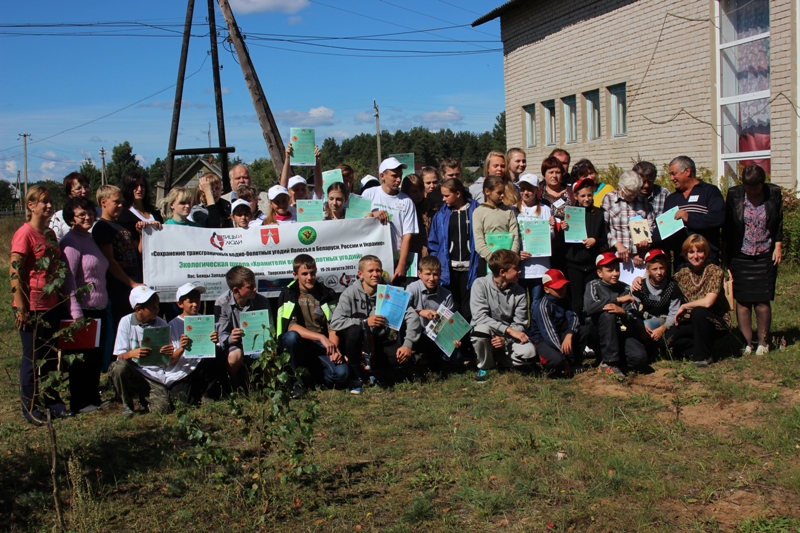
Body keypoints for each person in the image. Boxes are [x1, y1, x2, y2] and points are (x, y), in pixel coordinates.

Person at [11, 185, 73, 424]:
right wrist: (22, 307)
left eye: (51, 202)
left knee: (49, 357)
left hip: (52, 304)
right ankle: (30, 407)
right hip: (32, 305)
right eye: (44, 202)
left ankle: (52, 402)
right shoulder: (24, 233)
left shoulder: (50, 234)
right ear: (31, 205)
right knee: (31, 358)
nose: (49, 206)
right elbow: (15, 272)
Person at [329, 255, 421, 385]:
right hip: (355, 345)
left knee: (400, 357)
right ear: (360, 274)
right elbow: (336, 322)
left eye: (378, 270)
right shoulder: (350, 293)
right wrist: (365, 322)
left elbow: (413, 316)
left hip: (378, 343)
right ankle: (356, 372)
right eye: (370, 271)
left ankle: (375, 370)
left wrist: (407, 345)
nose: (375, 274)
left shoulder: (390, 292)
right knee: (355, 330)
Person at [723, 164, 783, 355]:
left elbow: (779, 220)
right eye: (747, 186)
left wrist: (778, 246)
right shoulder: (735, 194)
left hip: (765, 252)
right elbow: (728, 227)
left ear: (762, 184)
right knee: (743, 300)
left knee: (762, 300)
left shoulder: (773, 193)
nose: (750, 190)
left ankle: (763, 343)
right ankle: (747, 342)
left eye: (754, 187)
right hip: (740, 254)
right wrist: (726, 259)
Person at [275, 254, 353, 397]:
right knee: (291, 337)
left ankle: (311, 377)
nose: (309, 277)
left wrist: (334, 349)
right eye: (304, 274)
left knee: (342, 376)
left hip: (322, 346)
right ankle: (295, 383)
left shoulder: (326, 293)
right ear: (295, 274)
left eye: (312, 273)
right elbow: (290, 326)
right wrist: (321, 337)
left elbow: (333, 325)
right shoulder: (288, 293)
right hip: (299, 345)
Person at [60, 196, 109, 413]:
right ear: (71, 219)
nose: (87, 217)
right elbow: (69, 279)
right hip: (82, 310)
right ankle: (79, 402)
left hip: (99, 308)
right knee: (80, 362)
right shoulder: (70, 242)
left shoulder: (90, 238)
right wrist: (75, 313)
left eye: (89, 213)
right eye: (81, 215)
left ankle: (92, 397)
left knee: (94, 359)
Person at [108, 286, 174, 417]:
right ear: (138, 309)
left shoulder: (161, 324)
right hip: (133, 370)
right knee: (119, 367)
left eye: (157, 305)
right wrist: (131, 354)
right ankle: (127, 404)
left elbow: (168, 360)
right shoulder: (126, 322)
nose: (157, 310)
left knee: (163, 408)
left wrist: (167, 352)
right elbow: (119, 356)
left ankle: (143, 398)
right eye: (152, 307)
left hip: (153, 375)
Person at [470, 249, 535, 382]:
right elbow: (480, 317)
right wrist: (508, 330)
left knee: (530, 353)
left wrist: (505, 339)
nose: (519, 271)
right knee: (480, 331)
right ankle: (485, 365)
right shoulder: (480, 285)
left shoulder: (520, 292)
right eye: (516, 268)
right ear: (502, 272)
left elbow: (520, 323)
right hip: (489, 333)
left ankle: (501, 359)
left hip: (507, 339)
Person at [668, 235, 730, 367]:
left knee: (699, 312)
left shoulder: (715, 271)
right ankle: (702, 348)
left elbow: (708, 302)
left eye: (700, 251)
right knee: (668, 341)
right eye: (691, 252)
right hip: (691, 321)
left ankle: (702, 357)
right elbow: (662, 283)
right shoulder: (682, 274)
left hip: (715, 319)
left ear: (706, 253)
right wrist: (639, 280)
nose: (695, 256)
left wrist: (685, 306)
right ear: (686, 254)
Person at [584, 252, 647, 378]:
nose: (615, 273)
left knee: (639, 358)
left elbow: (632, 315)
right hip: (598, 331)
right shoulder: (593, 285)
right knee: (608, 314)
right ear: (599, 272)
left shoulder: (625, 288)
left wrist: (623, 313)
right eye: (610, 270)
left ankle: (613, 359)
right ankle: (609, 363)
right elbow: (590, 307)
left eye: (617, 270)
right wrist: (618, 300)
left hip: (620, 331)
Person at [427, 178, 480, 322]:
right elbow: (434, 243)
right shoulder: (441, 216)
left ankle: (469, 342)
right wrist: (437, 263)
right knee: (451, 308)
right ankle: (455, 342)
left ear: (458, 193)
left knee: (469, 307)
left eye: (446, 195)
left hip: (472, 268)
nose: (443, 199)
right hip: (449, 269)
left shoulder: (477, 210)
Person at [93, 185, 143, 333]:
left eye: (121, 202)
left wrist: (141, 234)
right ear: (103, 202)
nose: (121, 205)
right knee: (121, 329)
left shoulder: (124, 225)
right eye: (116, 202)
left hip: (134, 283)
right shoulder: (102, 227)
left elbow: (138, 252)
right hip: (118, 288)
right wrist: (132, 283)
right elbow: (110, 261)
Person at [362, 157, 419, 283]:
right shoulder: (368, 194)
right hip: (372, 259)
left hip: (395, 259)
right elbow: (358, 224)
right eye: (394, 176)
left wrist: (401, 265)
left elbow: (407, 236)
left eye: (400, 176)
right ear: (382, 175)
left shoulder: (407, 202)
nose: (398, 180)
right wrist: (372, 215)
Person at [662, 155, 725, 267]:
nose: (671, 178)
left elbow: (718, 218)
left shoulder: (709, 191)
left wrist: (689, 219)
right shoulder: (672, 199)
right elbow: (664, 230)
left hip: (706, 259)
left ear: (687, 171)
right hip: (681, 260)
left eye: (674, 173)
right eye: (670, 175)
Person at [406, 256, 466, 372]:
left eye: (435, 274)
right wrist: (420, 312)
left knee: (457, 360)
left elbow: (449, 322)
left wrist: (453, 338)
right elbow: (400, 311)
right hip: (414, 333)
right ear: (419, 273)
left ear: (440, 274)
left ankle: (427, 358)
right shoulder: (412, 288)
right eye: (428, 274)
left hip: (436, 336)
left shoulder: (447, 295)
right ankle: (417, 356)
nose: (432, 278)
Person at [166, 283, 221, 404]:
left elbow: (215, 351)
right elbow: (170, 361)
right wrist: (182, 348)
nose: (195, 305)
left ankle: (208, 393)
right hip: (181, 372)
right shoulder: (172, 325)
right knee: (185, 402)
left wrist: (214, 342)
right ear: (180, 304)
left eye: (197, 301)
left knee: (218, 352)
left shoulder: (204, 321)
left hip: (200, 368)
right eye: (190, 301)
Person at [529, 268, 590, 376]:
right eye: (558, 288)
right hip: (542, 338)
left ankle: (574, 361)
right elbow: (549, 333)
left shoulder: (564, 299)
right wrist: (563, 358)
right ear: (547, 289)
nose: (562, 290)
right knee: (556, 360)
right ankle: (544, 362)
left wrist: (570, 334)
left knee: (583, 330)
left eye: (564, 286)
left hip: (559, 333)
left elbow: (574, 317)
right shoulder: (543, 306)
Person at [564, 177, 607, 318]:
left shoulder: (599, 213)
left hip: (591, 263)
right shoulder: (570, 214)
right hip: (574, 263)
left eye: (589, 195)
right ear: (576, 196)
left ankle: (591, 326)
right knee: (576, 299)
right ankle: (576, 327)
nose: (586, 199)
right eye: (583, 196)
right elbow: (563, 242)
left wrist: (595, 240)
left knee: (591, 297)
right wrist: (563, 228)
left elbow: (605, 237)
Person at [516, 172, 552, 313]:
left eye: (530, 189)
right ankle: (521, 330)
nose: (526, 192)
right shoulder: (513, 209)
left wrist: (551, 228)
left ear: (537, 190)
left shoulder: (545, 210)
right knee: (520, 304)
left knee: (536, 303)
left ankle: (535, 332)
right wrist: (517, 253)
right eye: (523, 189)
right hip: (521, 267)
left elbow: (551, 236)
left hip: (540, 267)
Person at [631, 249, 682, 348]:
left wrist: (662, 328)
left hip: (664, 319)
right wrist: (639, 324)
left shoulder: (672, 287)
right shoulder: (641, 286)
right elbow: (633, 308)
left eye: (661, 268)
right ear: (647, 269)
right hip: (645, 318)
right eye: (654, 269)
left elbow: (673, 313)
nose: (659, 272)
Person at [601, 170, 654, 266]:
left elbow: (651, 225)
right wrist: (617, 244)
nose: (633, 196)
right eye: (630, 193)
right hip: (617, 256)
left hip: (639, 257)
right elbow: (603, 228)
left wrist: (643, 248)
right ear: (621, 187)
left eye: (635, 192)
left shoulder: (643, 200)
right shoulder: (609, 198)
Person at [473, 176, 521, 276]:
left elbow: (515, 236)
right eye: (499, 192)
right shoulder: (479, 212)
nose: (503, 195)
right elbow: (479, 241)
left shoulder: (509, 211)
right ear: (487, 191)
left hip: (508, 263)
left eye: (503, 192)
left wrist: (510, 258)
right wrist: (493, 260)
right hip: (488, 262)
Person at [50, 172, 93, 241]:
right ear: (69, 193)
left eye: (86, 187)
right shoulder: (59, 216)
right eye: (78, 188)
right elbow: (54, 242)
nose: (84, 191)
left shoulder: (99, 212)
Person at [401, 173, 432, 261]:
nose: (418, 194)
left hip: (425, 252)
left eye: (421, 190)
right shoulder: (402, 208)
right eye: (414, 191)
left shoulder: (429, 208)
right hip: (408, 252)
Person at [539, 156, 574, 221]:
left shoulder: (571, 192)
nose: (554, 176)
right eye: (551, 172)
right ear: (544, 174)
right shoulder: (538, 193)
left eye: (558, 172)